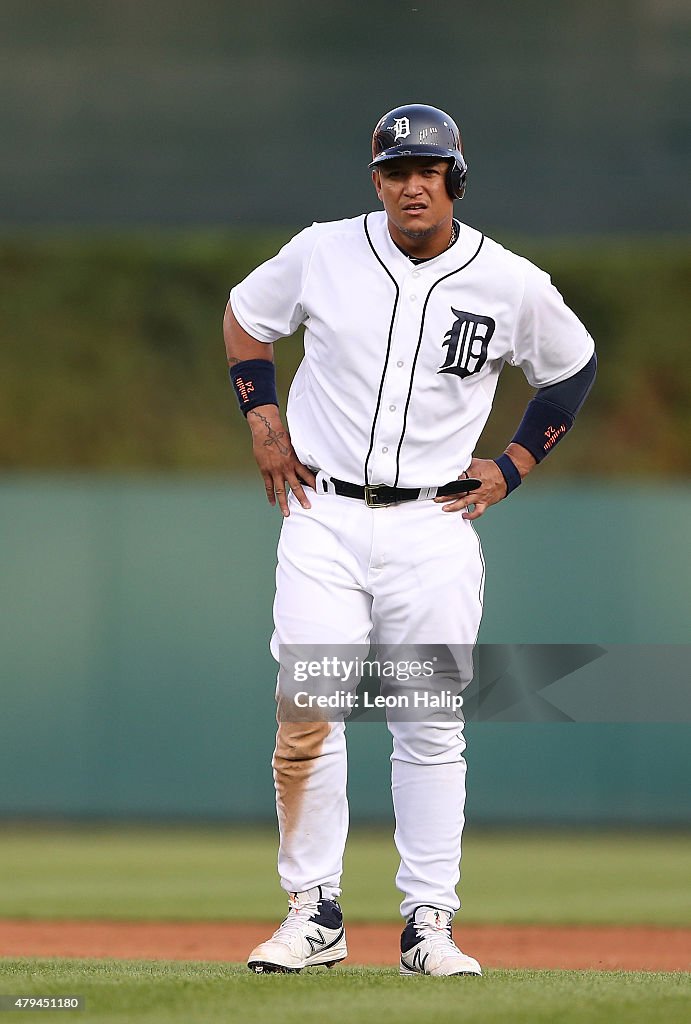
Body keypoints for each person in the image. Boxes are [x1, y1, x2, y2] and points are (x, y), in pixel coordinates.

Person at [223, 103, 596, 977]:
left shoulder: (506, 280)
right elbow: (246, 317)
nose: (411, 184)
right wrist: (263, 418)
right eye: (395, 171)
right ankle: (312, 914)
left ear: (454, 178)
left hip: (434, 524)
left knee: (427, 724)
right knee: (307, 709)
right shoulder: (322, 249)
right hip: (324, 515)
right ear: (377, 182)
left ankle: (428, 924)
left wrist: (513, 463)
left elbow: (571, 365)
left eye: (427, 170)